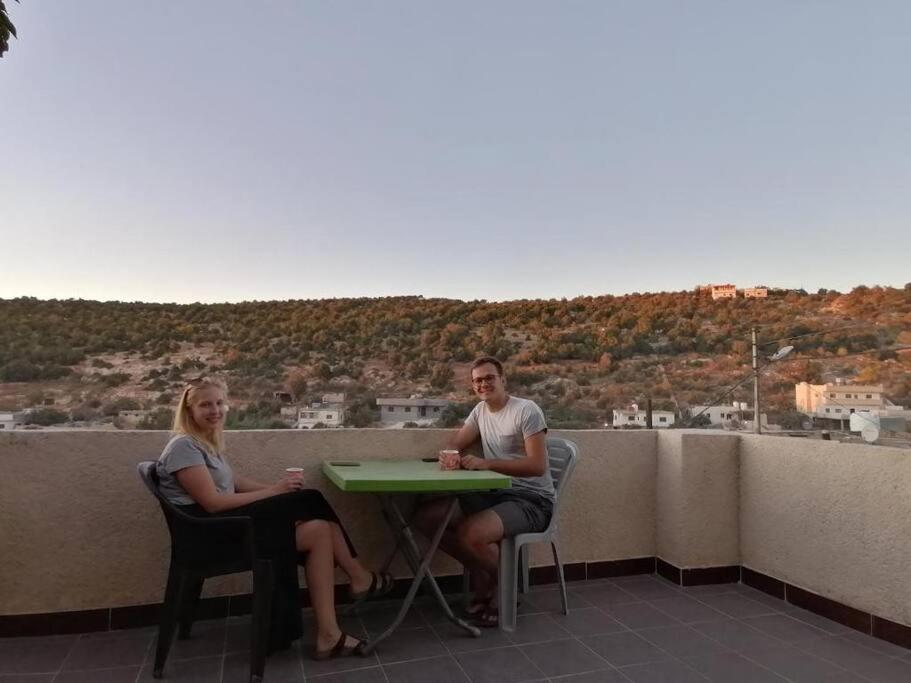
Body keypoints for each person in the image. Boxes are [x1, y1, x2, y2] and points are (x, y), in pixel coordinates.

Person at [156, 377, 392, 659]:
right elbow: (214, 503)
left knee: (318, 528)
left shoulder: (204, 443)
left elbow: (234, 482)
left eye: (219, 403)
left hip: (229, 526)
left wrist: (274, 490)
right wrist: (277, 493)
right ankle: (358, 578)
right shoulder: (184, 446)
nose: (215, 410)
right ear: (189, 409)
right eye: (206, 405)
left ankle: (330, 632)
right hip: (214, 537)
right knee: (310, 501)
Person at [414, 356, 554, 626]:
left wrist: (485, 463)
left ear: (503, 379)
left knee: (470, 532)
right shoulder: (480, 411)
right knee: (426, 516)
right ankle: (484, 572)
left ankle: (504, 585)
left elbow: (537, 466)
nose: (483, 384)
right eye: (478, 380)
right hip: (495, 494)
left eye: (489, 378)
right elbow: (455, 443)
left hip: (531, 500)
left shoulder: (527, 410)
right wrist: (451, 456)